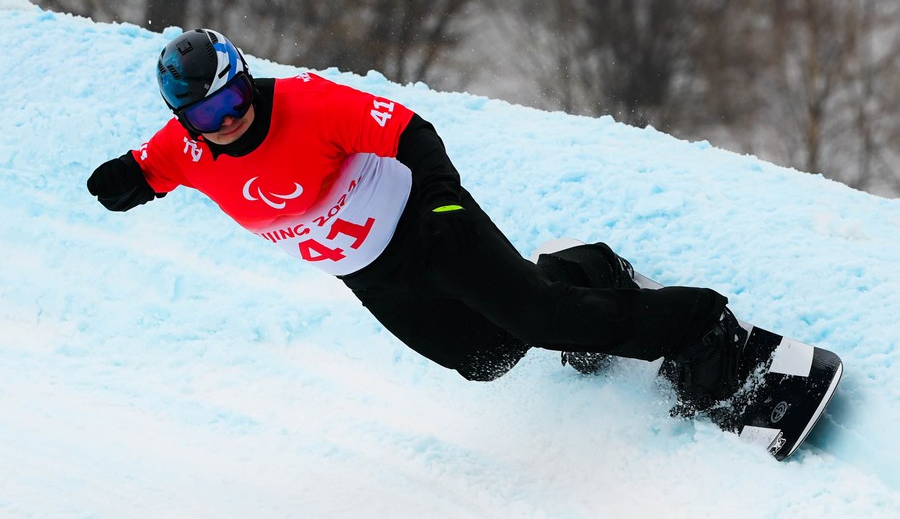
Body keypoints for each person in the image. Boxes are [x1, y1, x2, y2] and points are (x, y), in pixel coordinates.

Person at [87, 28, 746, 417]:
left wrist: (443, 198)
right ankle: (586, 270)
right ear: (185, 122)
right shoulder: (183, 150)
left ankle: (704, 331)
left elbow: (410, 131)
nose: (230, 119)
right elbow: (143, 171)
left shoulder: (308, 105)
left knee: (542, 321)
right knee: (488, 358)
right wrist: (120, 184)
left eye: (233, 98)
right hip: (372, 275)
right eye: (209, 116)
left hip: (430, 227)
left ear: (245, 78)